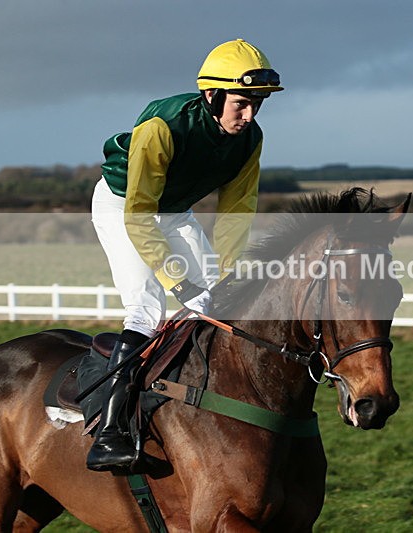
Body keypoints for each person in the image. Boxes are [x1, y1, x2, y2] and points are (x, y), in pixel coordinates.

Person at [87, 38, 283, 473]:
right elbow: (140, 214)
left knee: (220, 299)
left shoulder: (251, 138)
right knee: (147, 308)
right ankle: (109, 434)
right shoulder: (162, 126)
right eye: (241, 104)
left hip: (175, 212)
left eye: (257, 104)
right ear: (211, 95)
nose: (249, 115)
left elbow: (236, 213)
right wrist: (179, 281)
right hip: (124, 206)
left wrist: (226, 277)